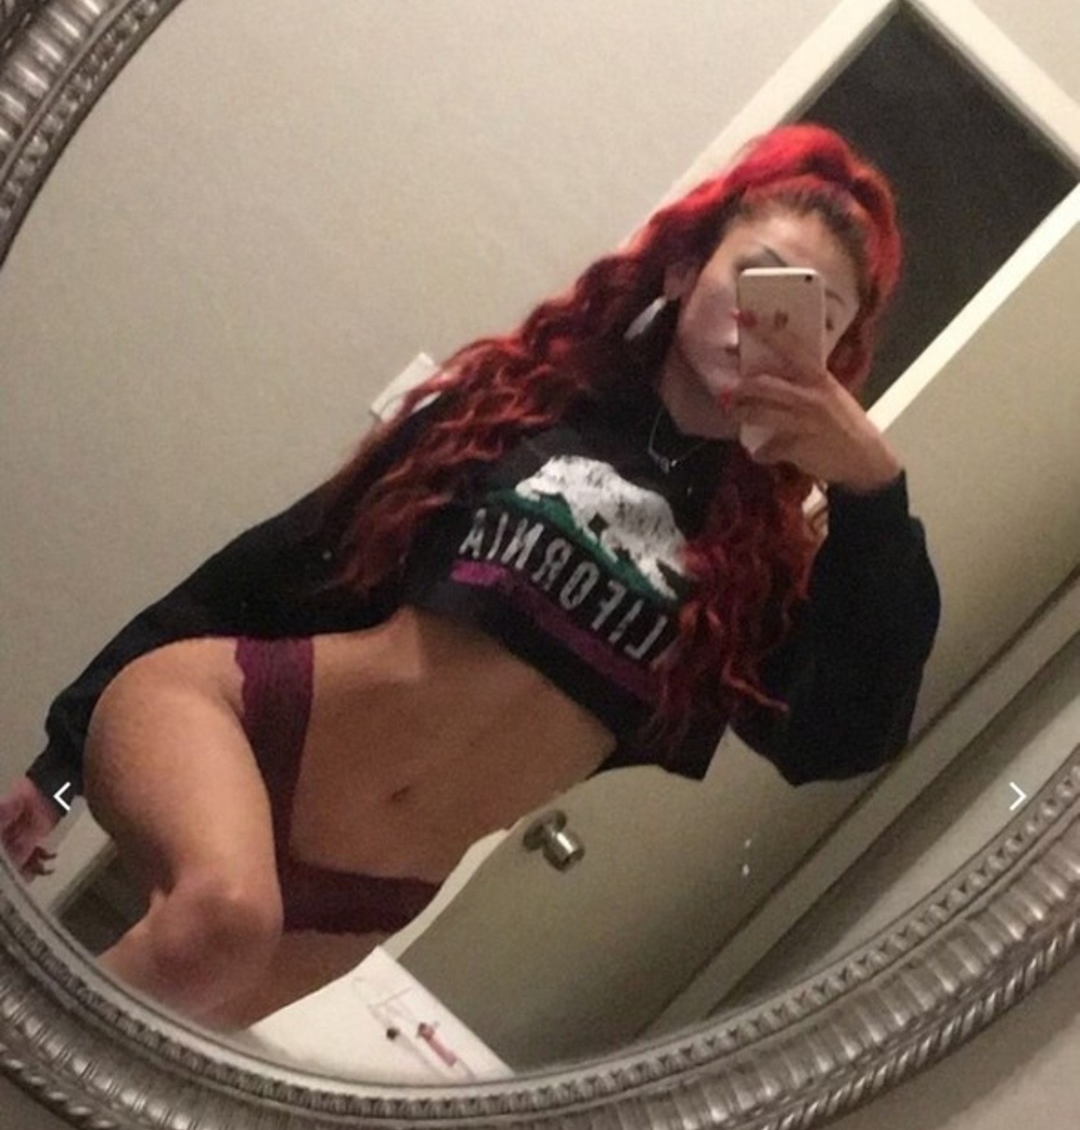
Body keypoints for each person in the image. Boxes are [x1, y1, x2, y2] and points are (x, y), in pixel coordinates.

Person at [0, 123, 942, 1030]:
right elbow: (274, 562)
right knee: (224, 921)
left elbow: (840, 741)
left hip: (366, 891)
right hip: (245, 716)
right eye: (759, 278)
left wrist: (875, 493)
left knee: (131, 1065)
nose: (768, 323)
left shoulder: (753, 573)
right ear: (685, 269)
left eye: (819, 316)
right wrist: (60, 775)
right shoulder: (523, 409)